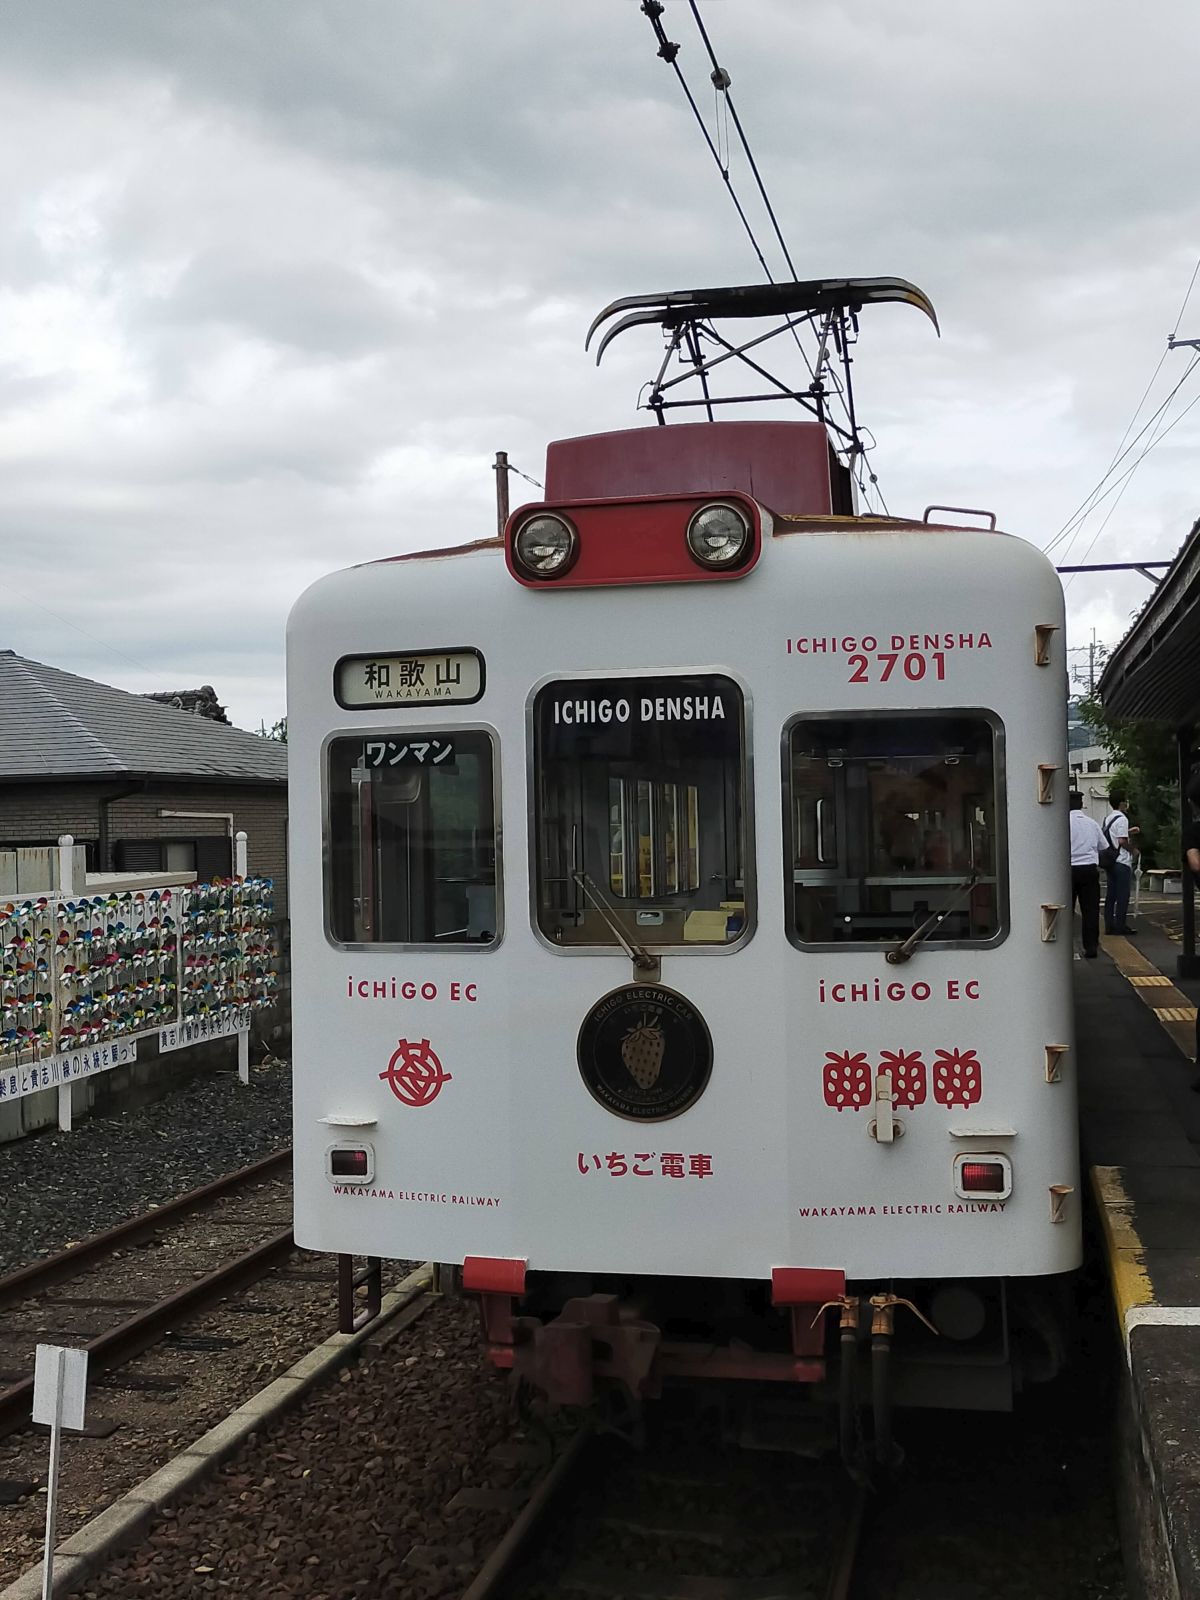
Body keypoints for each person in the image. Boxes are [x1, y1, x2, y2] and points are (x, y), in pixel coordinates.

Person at [1069, 791, 1104, 958]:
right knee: (1090, 910)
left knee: (1066, 910)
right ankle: (1091, 946)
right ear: (1081, 804)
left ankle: (1064, 945)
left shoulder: (1061, 824)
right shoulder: (1092, 823)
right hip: (1089, 870)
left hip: (1067, 871)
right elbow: (1103, 846)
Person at [1102, 787, 1137, 936]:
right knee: (1123, 895)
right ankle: (1120, 925)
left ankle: (1109, 925)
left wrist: (1129, 831)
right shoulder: (1122, 818)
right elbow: (1122, 841)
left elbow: (1114, 835)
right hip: (1122, 861)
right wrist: (1133, 850)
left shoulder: (1108, 818)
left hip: (1110, 861)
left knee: (1111, 895)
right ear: (1122, 803)